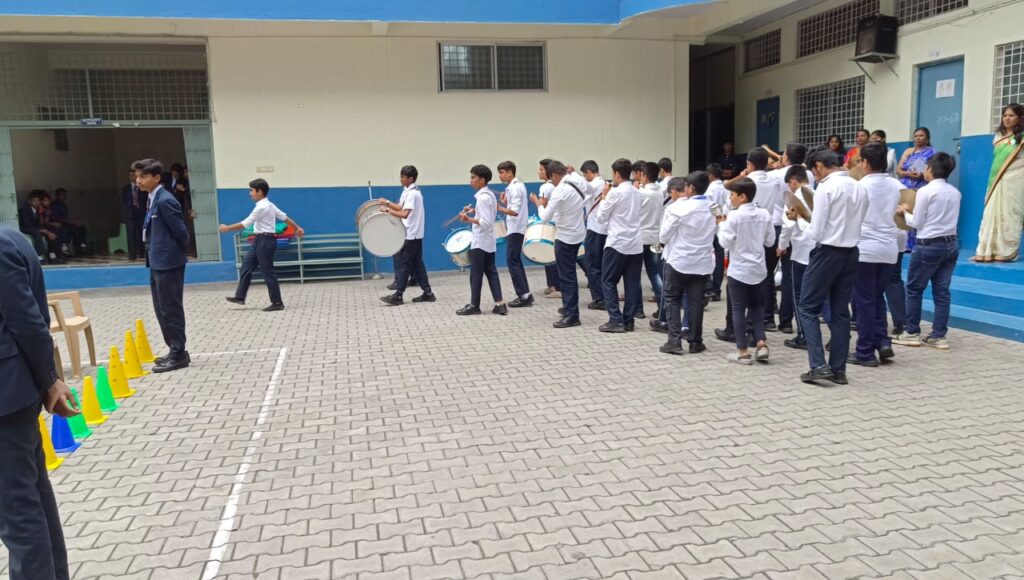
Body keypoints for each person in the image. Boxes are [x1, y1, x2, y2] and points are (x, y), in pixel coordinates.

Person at [0, 223, 80, 580]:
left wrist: (50, 380)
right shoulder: (11, 237)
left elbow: (30, 323)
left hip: (7, 400)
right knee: (34, 501)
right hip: (14, 395)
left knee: (18, 515)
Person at [798, 147, 868, 386]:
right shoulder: (859, 186)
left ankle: (818, 365)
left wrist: (800, 220)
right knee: (840, 311)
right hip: (851, 251)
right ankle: (838, 369)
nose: (815, 176)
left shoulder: (826, 188)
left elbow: (816, 232)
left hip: (827, 251)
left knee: (807, 307)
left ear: (819, 166)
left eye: (814, 171)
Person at [894, 153, 962, 350]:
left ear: (930, 169)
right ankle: (939, 335)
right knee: (942, 292)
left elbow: (916, 222)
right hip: (950, 244)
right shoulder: (955, 192)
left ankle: (911, 332)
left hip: (928, 245)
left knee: (914, 289)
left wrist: (904, 212)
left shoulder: (925, 191)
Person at [135, 158, 191, 373]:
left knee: (170, 308)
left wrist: (172, 253)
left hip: (168, 262)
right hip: (157, 261)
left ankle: (179, 353)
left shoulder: (166, 200)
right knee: (161, 308)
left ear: (157, 178)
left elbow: (181, 232)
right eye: (137, 177)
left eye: (143, 176)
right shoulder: (153, 198)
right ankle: (174, 348)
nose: (139, 180)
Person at [849, 143, 901, 367]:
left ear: (866, 163)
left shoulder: (860, 186)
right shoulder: (897, 185)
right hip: (889, 249)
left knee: (864, 302)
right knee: (878, 298)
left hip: (865, 249)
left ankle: (865, 351)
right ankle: (882, 342)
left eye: (861, 160)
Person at [219, 178, 305, 311]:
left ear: (260, 192)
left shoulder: (262, 207)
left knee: (268, 271)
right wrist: (297, 227)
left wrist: (227, 228)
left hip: (265, 241)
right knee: (246, 266)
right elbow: (285, 217)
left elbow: (245, 224)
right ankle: (240, 296)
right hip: (260, 239)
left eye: (252, 190)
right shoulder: (270, 205)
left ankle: (277, 303)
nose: (250, 193)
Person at [717, 178, 775, 365]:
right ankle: (761, 342)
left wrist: (721, 225)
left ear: (742, 196)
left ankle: (742, 351)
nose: (730, 198)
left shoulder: (734, 216)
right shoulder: (764, 214)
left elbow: (725, 242)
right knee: (756, 306)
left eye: (732, 194)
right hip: (758, 268)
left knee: (738, 309)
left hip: (739, 268)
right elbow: (770, 241)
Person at [659, 172, 716, 355]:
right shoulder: (714, 207)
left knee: (673, 299)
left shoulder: (677, 208)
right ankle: (695, 341)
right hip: (702, 261)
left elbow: (664, 236)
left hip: (679, 260)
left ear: (690, 188)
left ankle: (674, 341)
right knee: (696, 302)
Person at [531, 160, 586, 328]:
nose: (551, 182)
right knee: (570, 275)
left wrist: (538, 204)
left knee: (566, 277)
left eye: (551, 178)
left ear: (554, 175)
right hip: (577, 233)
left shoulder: (560, 190)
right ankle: (569, 308)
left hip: (565, 237)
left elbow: (544, 217)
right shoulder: (577, 182)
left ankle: (572, 314)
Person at [591, 158, 642, 333]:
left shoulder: (615, 193)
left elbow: (601, 217)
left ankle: (615, 319)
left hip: (617, 243)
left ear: (617, 174)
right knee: (632, 284)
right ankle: (628, 320)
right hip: (635, 243)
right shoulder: (637, 192)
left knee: (608, 281)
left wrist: (604, 196)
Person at [767, 141, 813, 334]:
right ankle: (786, 321)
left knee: (768, 273)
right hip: (801, 229)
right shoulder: (808, 175)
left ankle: (768, 317)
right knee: (789, 276)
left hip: (781, 225)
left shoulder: (774, 175)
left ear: (786, 156)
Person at [974, 103, 1024, 262]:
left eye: (1011, 115)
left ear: (1020, 118)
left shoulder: (1022, 137)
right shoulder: (998, 137)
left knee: (1010, 214)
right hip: (997, 179)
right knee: (990, 214)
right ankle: (986, 250)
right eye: (1005, 115)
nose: (1007, 118)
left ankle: (1008, 251)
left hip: (1016, 179)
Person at [744, 148, 787, 333]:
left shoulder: (747, 182)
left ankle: (751, 319)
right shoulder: (774, 181)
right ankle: (768, 317)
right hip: (768, 228)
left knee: (748, 278)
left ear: (750, 164)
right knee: (767, 275)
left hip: (749, 232)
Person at [380, 166, 435, 306]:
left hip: (411, 234)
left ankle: (398, 295)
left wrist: (387, 210)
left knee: (404, 264)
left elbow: (404, 214)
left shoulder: (413, 194)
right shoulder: (409, 191)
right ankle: (428, 293)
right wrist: (387, 202)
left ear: (410, 178)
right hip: (413, 234)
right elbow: (400, 207)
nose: (400, 179)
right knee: (417, 264)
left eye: (403, 177)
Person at [456, 165, 506, 316]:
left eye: (473, 177)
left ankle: (474, 305)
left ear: (482, 180)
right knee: (491, 272)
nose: (471, 180)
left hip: (480, 241)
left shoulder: (482, 198)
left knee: (476, 275)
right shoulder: (489, 195)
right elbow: (488, 215)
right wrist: (474, 211)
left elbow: (485, 222)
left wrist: (468, 219)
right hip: (489, 241)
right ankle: (500, 304)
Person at [779, 165, 814, 351]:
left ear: (793, 181)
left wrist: (781, 246)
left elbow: (787, 225)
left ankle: (804, 335)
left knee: (799, 295)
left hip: (800, 253)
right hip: (818, 251)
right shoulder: (817, 194)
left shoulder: (794, 198)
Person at [496, 161, 533, 307]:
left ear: (510, 172)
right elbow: (513, 208)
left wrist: (498, 207)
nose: (500, 176)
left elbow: (515, 212)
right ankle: (526, 294)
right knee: (515, 260)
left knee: (512, 261)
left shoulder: (515, 187)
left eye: (502, 172)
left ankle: (523, 295)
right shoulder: (515, 186)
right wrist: (504, 203)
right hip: (516, 227)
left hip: (516, 228)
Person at [896, 127, 936, 251]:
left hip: (920, 187)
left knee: (917, 213)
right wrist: (908, 174)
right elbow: (898, 170)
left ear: (927, 138)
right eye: (916, 136)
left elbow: (934, 172)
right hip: (905, 187)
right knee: (903, 211)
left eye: (921, 136)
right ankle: (903, 243)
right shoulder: (908, 151)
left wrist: (921, 175)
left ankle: (914, 244)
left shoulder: (933, 153)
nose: (918, 138)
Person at [637, 162, 664, 319]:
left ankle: (638, 309)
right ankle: (662, 307)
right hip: (656, 237)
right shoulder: (660, 192)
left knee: (635, 274)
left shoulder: (641, 193)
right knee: (654, 273)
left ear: (645, 176)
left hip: (640, 237)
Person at [704, 163, 730, 302]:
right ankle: (716, 289)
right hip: (723, 225)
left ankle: (708, 287)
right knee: (719, 258)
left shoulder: (710, 189)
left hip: (711, 226)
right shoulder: (726, 188)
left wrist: (716, 216)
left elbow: (711, 206)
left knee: (708, 256)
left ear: (710, 176)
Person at [537, 159, 561, 299]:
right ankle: (553, 285)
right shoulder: (555, 186)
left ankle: (555, 286)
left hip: (549, 223)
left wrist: (536, 202)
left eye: (541, 169)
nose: (539, 172)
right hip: (555, 223)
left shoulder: (545, 187)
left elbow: (543, 204)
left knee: (548, 255)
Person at [18, 192, 54, 262]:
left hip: (33, 228)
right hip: (25, 227)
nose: (36, 202)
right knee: (37, 232)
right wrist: (40, 230)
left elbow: (39, 223)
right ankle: (39, 255)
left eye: (38, 200)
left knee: (50, 232)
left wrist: (45, 230)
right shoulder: (25, 209)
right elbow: (26, 223)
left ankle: (52, 255)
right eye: (34, 200)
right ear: (30, 201)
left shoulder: (38, 210)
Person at [50, 189, 87, 255]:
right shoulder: (54, 205)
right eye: (61, 195)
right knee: (72, 229)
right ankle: (73, 247)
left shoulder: (63, 205)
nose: (63, 196)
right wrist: (73, 222)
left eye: (65, 195)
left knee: (81, 227)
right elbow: (59, 218)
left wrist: (74, 222)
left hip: (65, 223)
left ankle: (82, 245)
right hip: (57, 223)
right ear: (57, 195)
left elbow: (65, 217)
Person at [120, 168, 146, 260]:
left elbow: (145, 199)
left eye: (134, 175)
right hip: (130, 214)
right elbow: (123, 202)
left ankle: (142, 252)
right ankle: (132, 253)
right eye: (130, 175)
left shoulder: (142, 187)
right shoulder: (125, 189)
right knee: (131, 234)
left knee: (141, 233)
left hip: (141, 213)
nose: (132, 177)